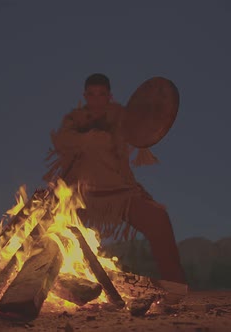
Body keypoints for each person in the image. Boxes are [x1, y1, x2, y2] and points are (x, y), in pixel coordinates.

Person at [44, 73, 187, 285]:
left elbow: (143, 126)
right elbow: (63, 141)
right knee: (47, 233)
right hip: (77, 195)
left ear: (109, 96)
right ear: (85, 96)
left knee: (159, 220)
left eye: (101, 94)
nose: (96, 99)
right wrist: (91, 138)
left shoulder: (121, 116)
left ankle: (176, 286)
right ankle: (40, 284)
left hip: (118, 192)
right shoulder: (74, 119)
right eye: (91, 94)